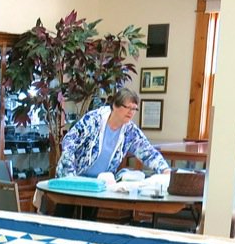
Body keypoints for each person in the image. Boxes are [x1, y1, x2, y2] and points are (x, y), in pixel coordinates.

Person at [54, 88, 170, 218]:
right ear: (115, 105)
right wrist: (70, 175)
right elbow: (69, 141)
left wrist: (164, 169)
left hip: (97, 184)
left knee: (88, 222)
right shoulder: (93, 120)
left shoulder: (130, 130)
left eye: (134, 109)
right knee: (63, 218)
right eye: (128, 108)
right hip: (72, 179)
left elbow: (147, 151)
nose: (131, 113)